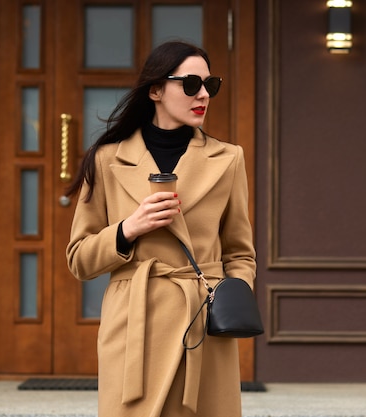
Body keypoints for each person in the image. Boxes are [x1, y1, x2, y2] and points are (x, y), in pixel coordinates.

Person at [65, 41, 256, 417]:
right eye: (189, 84)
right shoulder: (107, 159)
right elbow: (79, 259)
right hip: (135, 325)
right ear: (155, 90)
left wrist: (231, 297)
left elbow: (239, 251)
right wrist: (128, 228)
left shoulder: (228, 159)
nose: (202, 95)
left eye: (209, 85)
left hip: (201, 319)